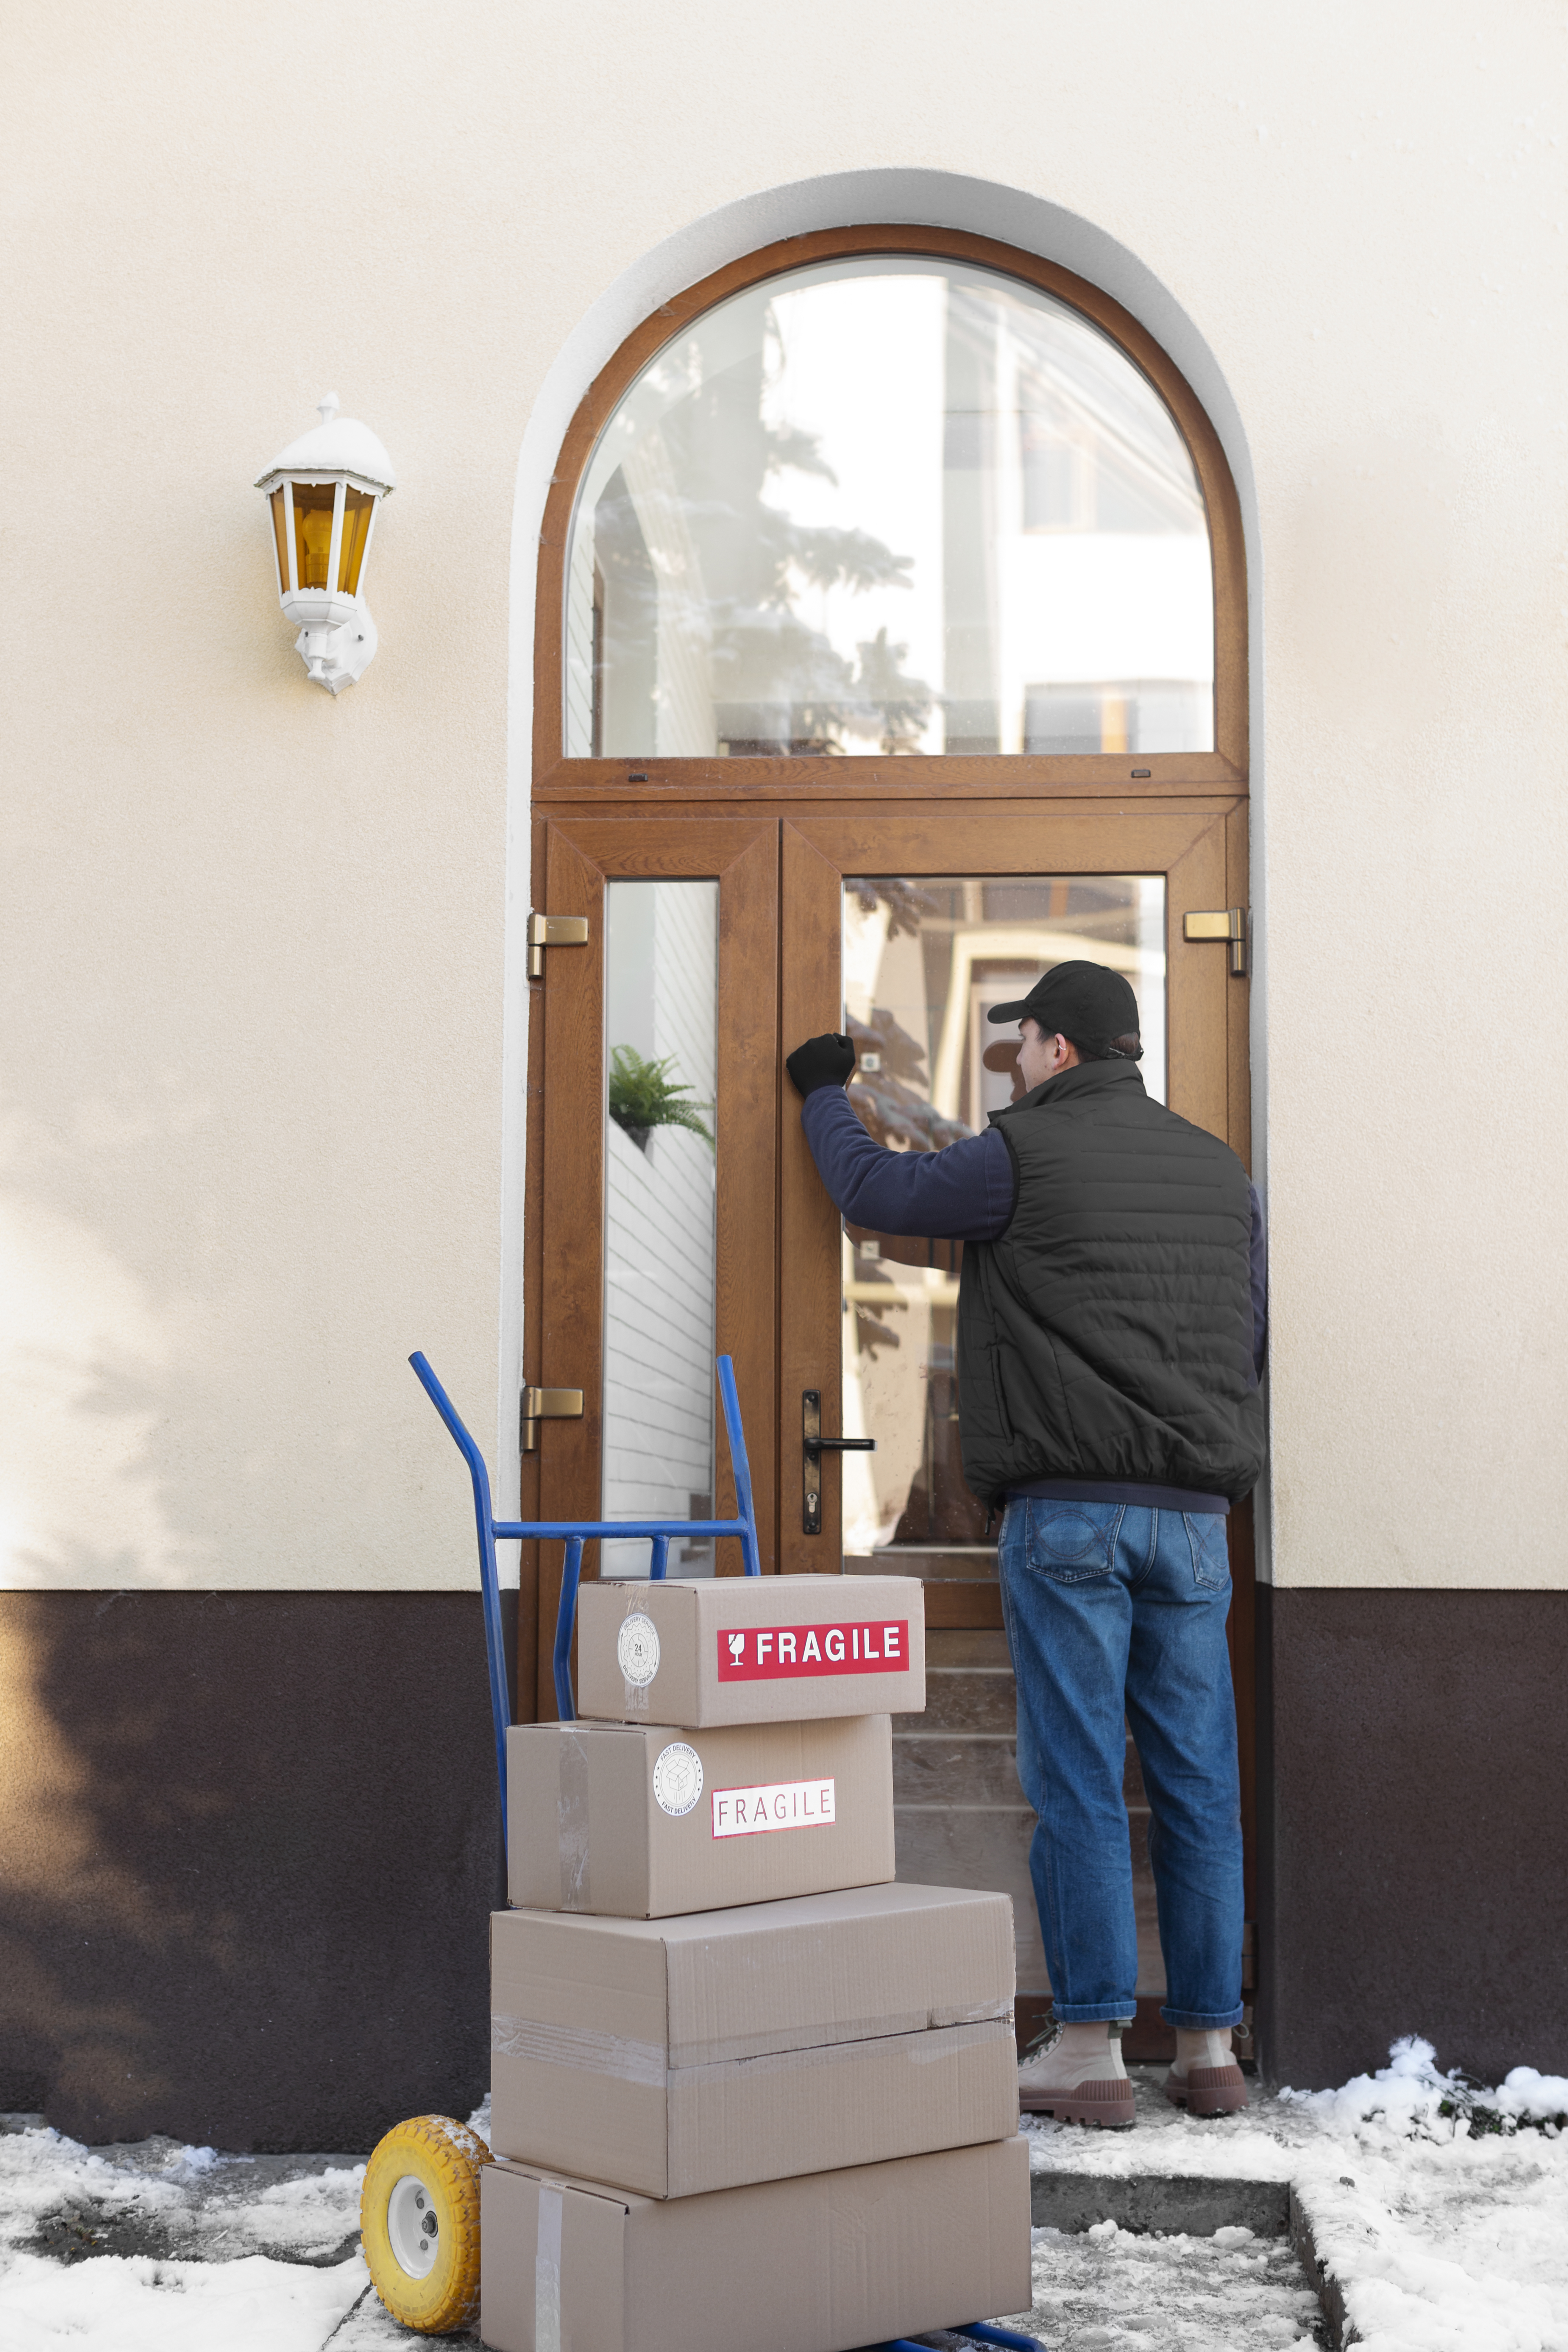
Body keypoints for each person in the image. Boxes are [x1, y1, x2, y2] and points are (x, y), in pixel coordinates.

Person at [786, 961, 1266, 2127]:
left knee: (1080, 1777)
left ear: (1057, 1047)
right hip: (1197, 1519)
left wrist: (820, 1092)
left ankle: (1091, 2046)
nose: (1014, 1065)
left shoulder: (1019, 1153)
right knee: (1200, 1782)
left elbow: (876, 1192)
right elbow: (1249, 1333)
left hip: (1071, 1515)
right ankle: (1208, 2045)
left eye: (1020, 1046)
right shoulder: (1223, 1174)